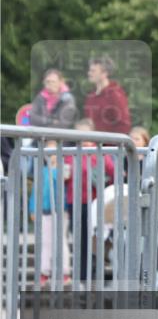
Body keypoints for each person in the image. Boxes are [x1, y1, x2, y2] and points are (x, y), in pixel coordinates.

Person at [66, 118, 115, 283]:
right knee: (79, 239)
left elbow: (112, 172)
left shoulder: (100, 153)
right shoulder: (71, 154)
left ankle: (95, 272)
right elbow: (64, 176)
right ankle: (81, 274)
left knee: (96, 238)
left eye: (87, 135)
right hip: (76, 202)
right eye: (80, 136)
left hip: (95, 203)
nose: (84, 140)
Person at [28, 140, 71, 287]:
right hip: (44, 211)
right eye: (48, 152)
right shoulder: (41, 171)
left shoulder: (64, 169)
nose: (51, 155)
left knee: (61, 241)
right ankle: (44, 272)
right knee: (45, 241)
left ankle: (63, 272)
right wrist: (33, 208)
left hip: (61, 210)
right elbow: (35, 191)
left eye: (53, 152)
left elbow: (65, 182)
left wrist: (57, 168)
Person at [83, 56, 131, 134]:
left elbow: (123, 125)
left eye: (93, 71)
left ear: (105, 73)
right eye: (89, 70)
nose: (89, 73)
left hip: (109, 145)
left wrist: (112, 145)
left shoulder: (116, 95)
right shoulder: (91, 96)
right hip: (92, 144)